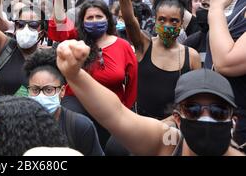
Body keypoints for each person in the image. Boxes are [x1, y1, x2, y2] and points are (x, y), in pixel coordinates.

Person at [56, 40, 244, 156]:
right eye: (193, 110)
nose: (205, 117)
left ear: (233, 121)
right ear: (177, 119)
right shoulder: (167, 145)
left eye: (218, 112)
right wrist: (74, 75)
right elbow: (117, 114)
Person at [48, 0, 137, 146]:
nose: (95, 21)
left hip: (111, 113)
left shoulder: (123, 46)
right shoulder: (76, 41)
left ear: (108, 19)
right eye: (90, 18)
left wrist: (125, 114)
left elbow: (132, 85)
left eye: (99, 16)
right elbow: (58, 30)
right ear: (82, 22)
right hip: (76, 107)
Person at [114, 0, 201, 120]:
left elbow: (195, 98)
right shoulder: (144, 45)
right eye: (162, 20)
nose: (167, 25)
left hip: (173, 131)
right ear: (155, 20)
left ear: (181, 23)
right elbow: (129, 20)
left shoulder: (191, 56)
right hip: (140, 125)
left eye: (174, 21)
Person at [24, 48, 104, 156]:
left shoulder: (80, 126)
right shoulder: (20, 125)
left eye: (48, 90)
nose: (41, 96)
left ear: (62, 91)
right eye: (35, 90)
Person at [207, 0, 246, 152]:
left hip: (240, 128)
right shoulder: (242, 0)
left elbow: (226, 62)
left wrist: (216, 6)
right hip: (219, 113)